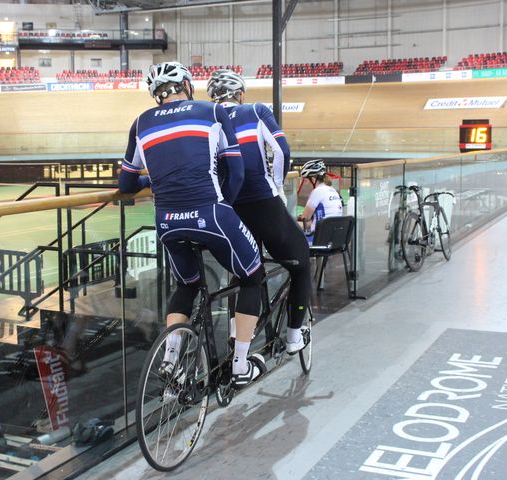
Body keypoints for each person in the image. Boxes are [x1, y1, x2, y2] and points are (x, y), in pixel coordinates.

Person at [118, 62, 265, 388]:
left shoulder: (140, 123)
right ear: (186, 84)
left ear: (155, 94)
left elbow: (126, 184)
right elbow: (236, 172)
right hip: (212, 215)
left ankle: (171, 358)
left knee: (187, 285)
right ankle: (240, 365)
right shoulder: (212, 111)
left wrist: (150, 178)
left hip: (167, 222)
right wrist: (223, 207)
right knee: (252, 276)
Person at [207, 69, 311, 354]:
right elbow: (282, 150)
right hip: (263, 202)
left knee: (244, 272)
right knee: (301, 263)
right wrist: (276, 185)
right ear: (240, 94)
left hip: (228, 206)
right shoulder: (256, 110)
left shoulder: (208, 117)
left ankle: (236, 337)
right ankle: (293, 337)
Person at [299, 159, 344, 242]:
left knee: (292, 230)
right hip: (335, 239)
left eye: (305, 180)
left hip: (319, 239)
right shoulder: (333, 190)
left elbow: (304, 219)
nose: (305, 183)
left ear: (313, 179)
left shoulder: (317, 191)